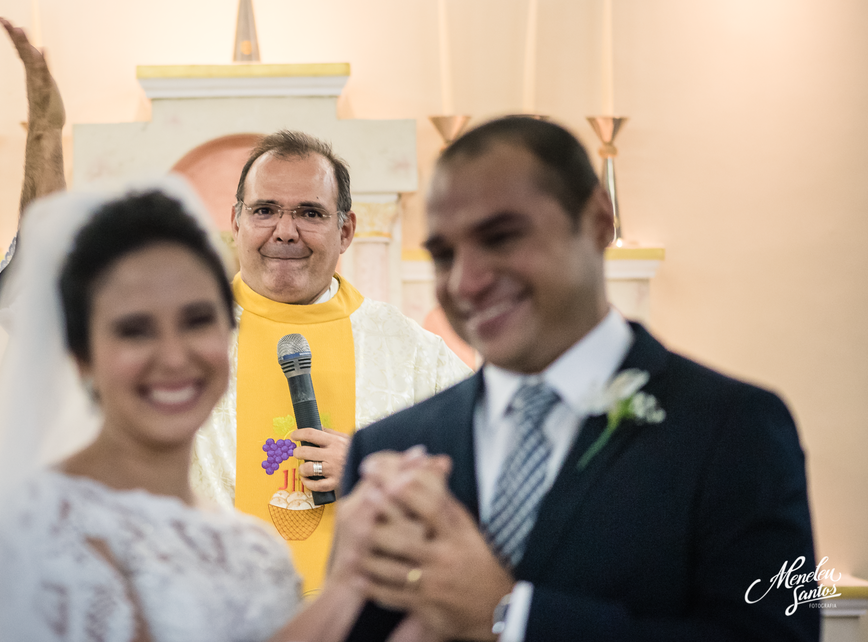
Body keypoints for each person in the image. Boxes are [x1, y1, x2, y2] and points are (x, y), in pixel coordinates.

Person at [0, 21, 471, 593]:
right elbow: (42, 298)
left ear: (347, 230)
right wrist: (45, 137)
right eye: (265, 210)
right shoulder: (174, 336)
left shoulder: (410, 354)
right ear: (235, 222)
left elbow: (488, 472)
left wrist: (371, 469)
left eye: (310, 213)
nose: (285, 231)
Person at [338, 116, 819, 641]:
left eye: (501, 238)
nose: (465, 282)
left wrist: (510, 617)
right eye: (444, 255)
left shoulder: (737, 430)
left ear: (596, 220)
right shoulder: (390, 447)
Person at [0, 180, 374, 642]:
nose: (174, 357)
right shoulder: (32, 540)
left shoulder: (253, 554)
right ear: (82, 354)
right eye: (135, 329)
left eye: (197, 320)